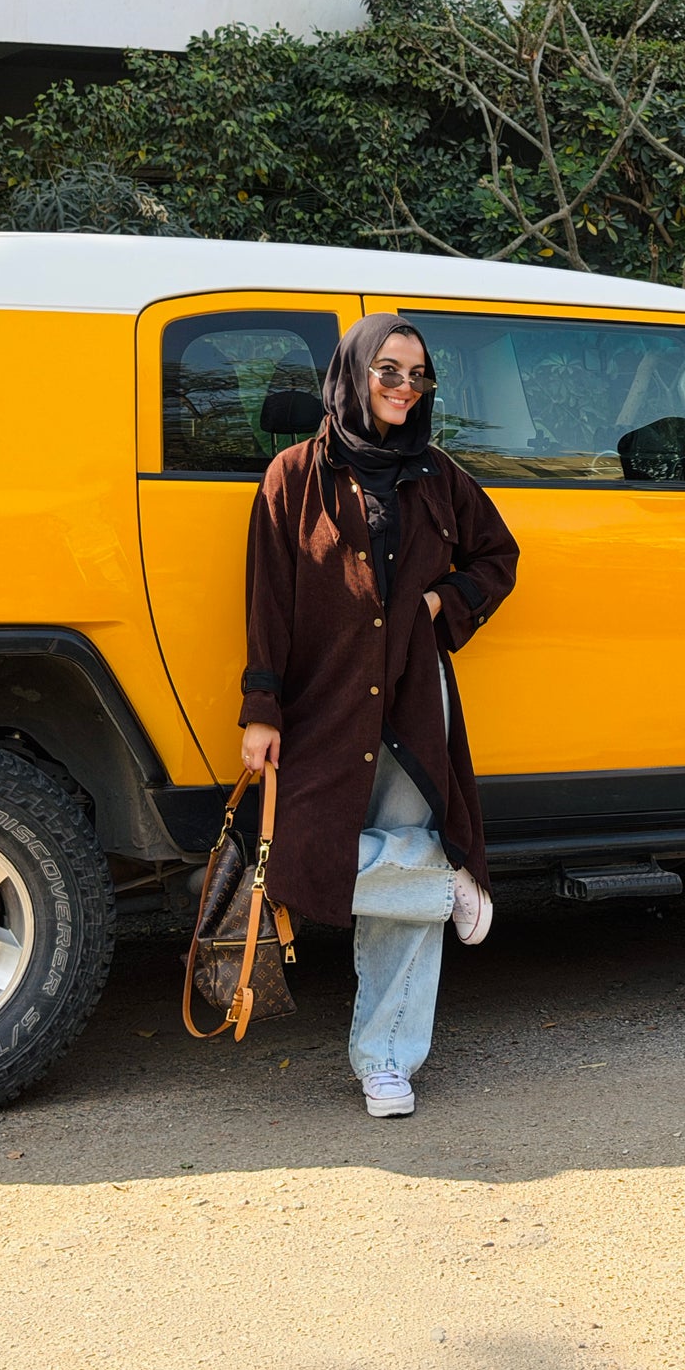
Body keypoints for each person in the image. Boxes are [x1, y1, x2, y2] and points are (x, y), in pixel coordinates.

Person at [238, 313, 519, 1118]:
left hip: (411, 701)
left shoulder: (438, 476)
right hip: (322, 702)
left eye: (417, 375)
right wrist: (261, 709)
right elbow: (268, 602)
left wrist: (442, 600)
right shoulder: (293, 475)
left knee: (404, 855)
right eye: (388, 371)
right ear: (353, 374)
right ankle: (445, 885)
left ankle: (386, 1058)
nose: (403, 387)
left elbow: (498, 559)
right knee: (294, 857)